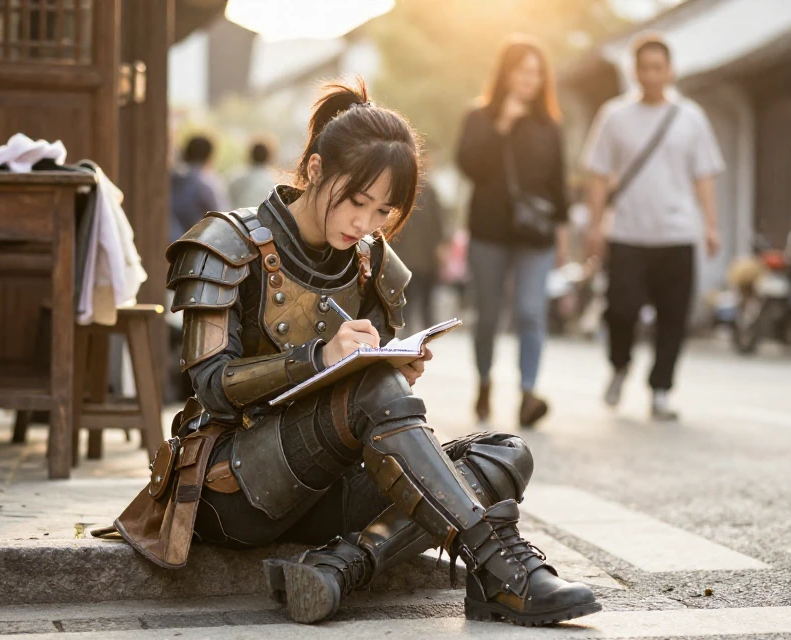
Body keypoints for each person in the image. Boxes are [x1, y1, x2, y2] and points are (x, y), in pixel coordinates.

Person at [105, 79, 600, 627]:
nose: (365, 223)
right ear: (315, 170)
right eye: (357, 202)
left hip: (325, 490)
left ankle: (343, 566)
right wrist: (319, 358)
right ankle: (502, 569)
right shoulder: (227, 242)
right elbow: (211, 387)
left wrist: (394, 366)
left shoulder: (371, 261)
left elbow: (370, 405)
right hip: (232, 488)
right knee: (374, 392)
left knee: (505, 454)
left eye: (384, 210)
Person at [581, 35, 724, 421]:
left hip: (677, 233)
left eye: (658, 67)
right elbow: (597, 175)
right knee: (621, 310)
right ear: (634, 71)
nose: (651, 75)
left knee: (673, 316)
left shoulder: (691, 117)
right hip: (627, 232)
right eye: (644, 67)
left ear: (670, 70)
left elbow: (704, 176)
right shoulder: (614, 115)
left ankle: (660, 390)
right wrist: (595, 227)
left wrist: (711, 225)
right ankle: (620, 364)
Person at [456, 35, 569, 428]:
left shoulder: (549, 126)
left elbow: (558, 184)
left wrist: (563, 235)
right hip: (488, 231)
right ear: (506, 74)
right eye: (522, 72)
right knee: (488, 315)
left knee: (529, 312)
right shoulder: (480, 117)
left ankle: (527, 393)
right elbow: (468, 166)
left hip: (535, 235)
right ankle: (485, 381)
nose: (529, 80)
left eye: (536, 73)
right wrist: (501, 124)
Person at [390, 175, 448, 334]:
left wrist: (440, 246)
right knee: (406, 298)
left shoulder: (429, 190)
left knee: (425, 298)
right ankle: (407, 330)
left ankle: (427, 331)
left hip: (425, 257)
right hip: (403, 258)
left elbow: (438, 221)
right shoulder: (398, 187)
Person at [169, 134, 227, 243]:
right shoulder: (207, 182)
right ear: (209, 156)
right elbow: (222, 221)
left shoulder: (171, 177)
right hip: (196, 246)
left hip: (168, 241)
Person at [228, 136, 280, 210]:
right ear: (269, 157)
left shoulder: (234, 176)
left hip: (232, 219)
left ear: (250, 154)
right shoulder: (272, 184)